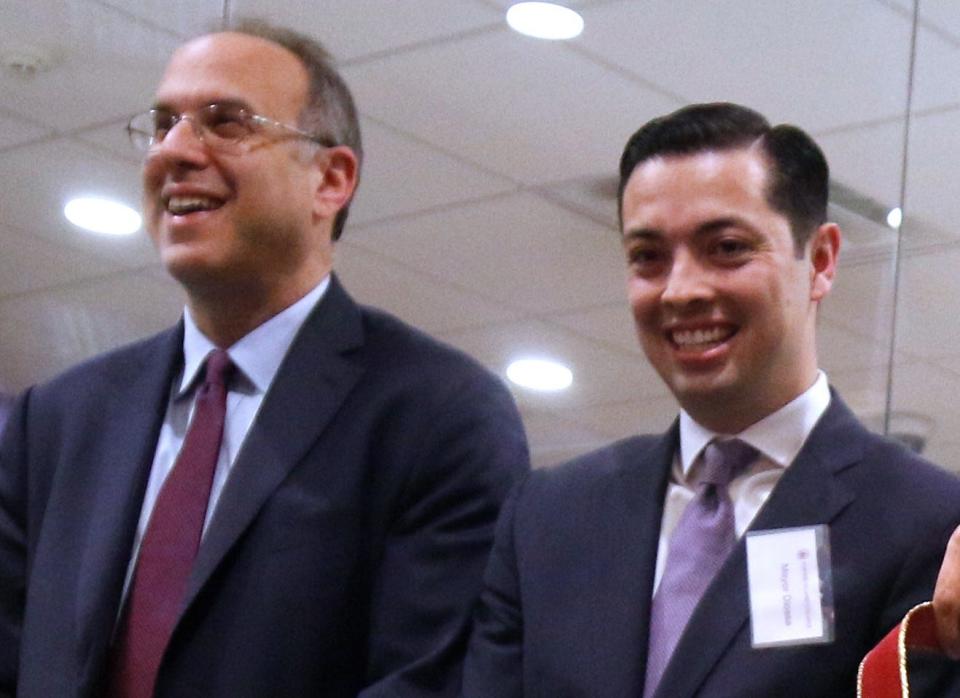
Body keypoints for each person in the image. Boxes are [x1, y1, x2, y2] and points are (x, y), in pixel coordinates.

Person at [0, 20, 528, 698]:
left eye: (226, 122)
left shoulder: (439, 415)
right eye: (162, 124)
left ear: (331, 180)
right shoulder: (61, 420)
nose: (176, 151)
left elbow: (428, 682)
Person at [462, 102, 960, 697]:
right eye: (648, 257)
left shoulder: (926, 525)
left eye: (726, 247)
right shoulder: (550, 517)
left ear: (821, 260)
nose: (680, 290)